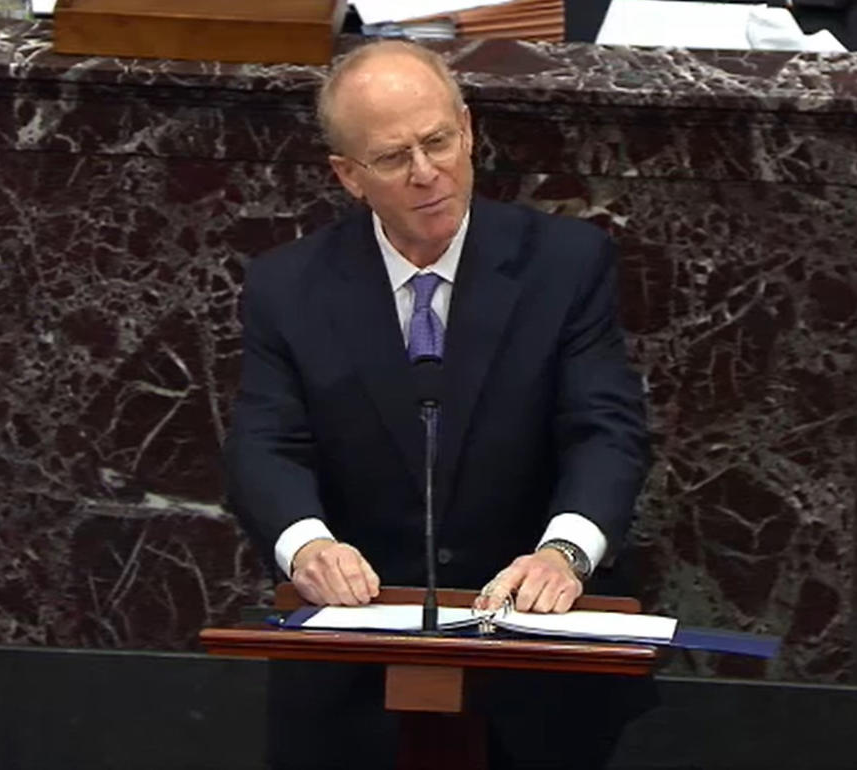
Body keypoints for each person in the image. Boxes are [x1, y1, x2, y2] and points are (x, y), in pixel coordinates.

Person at [225, 39, 651, 770]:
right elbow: (264, 446)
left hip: (534, 660)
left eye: (439, 142)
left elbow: (604, 431)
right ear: (348, 176)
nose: (427, 174)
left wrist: (565, 552)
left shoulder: (566, 264)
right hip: (355, 675)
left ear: (469, 129)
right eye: (394, 158)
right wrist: (308, 547)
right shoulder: (288, 289)